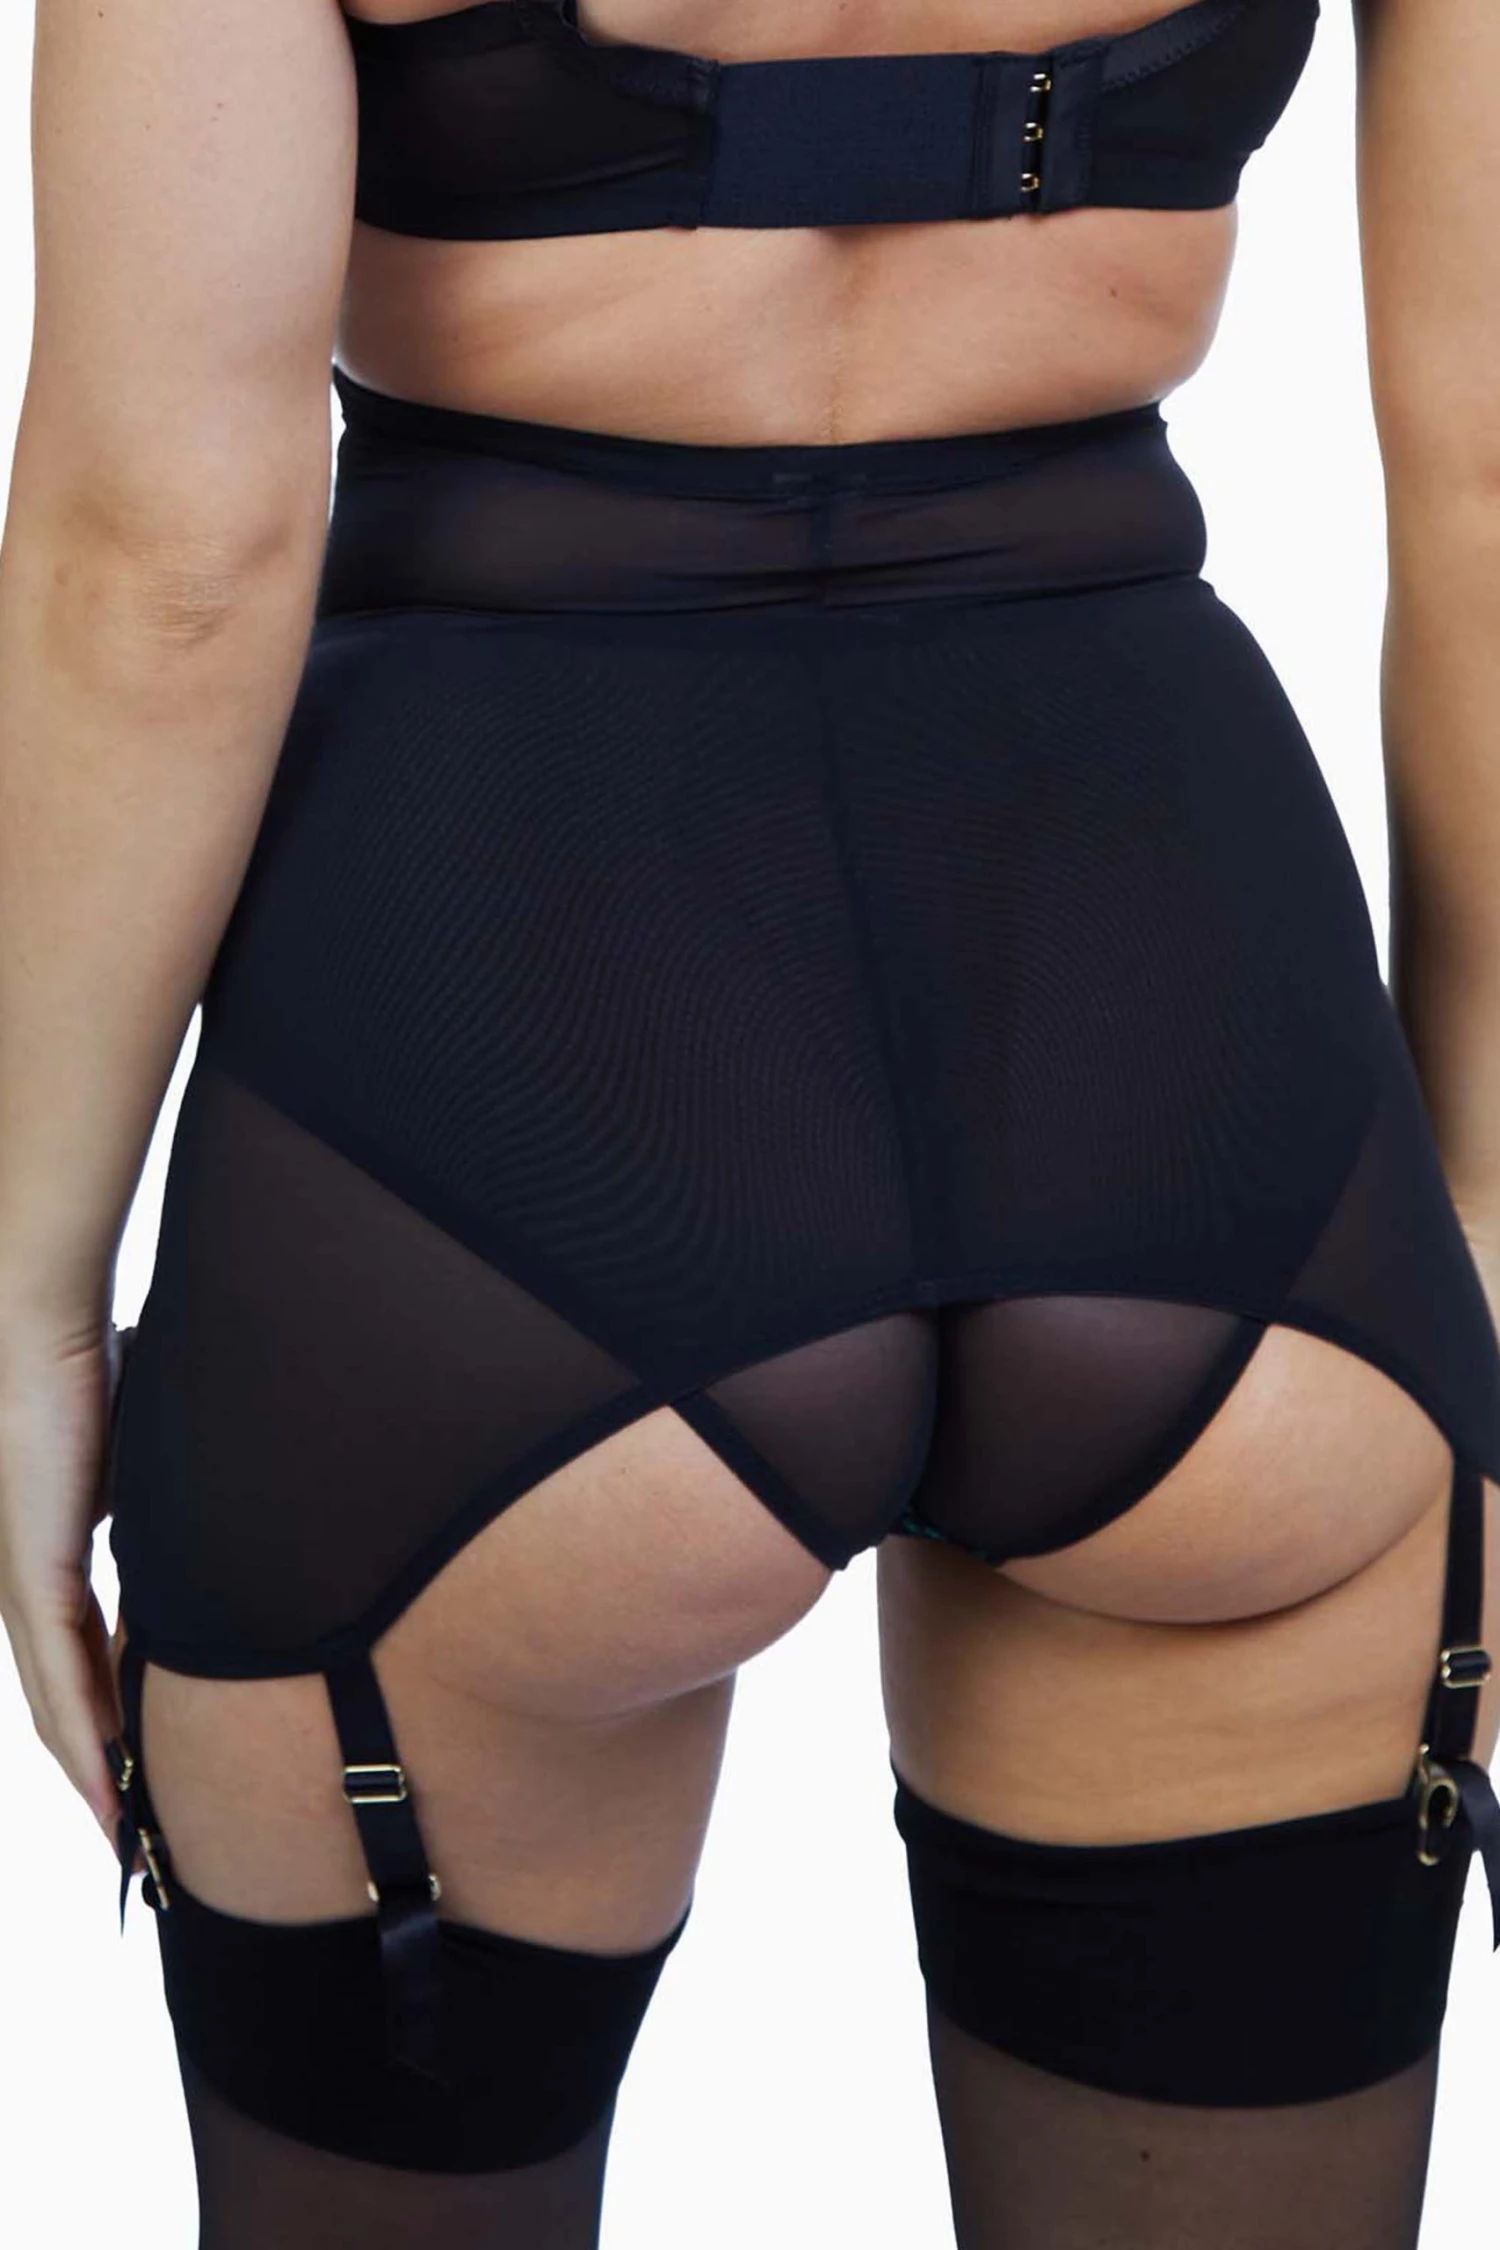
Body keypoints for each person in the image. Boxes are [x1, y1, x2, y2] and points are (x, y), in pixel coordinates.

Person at [1, 1, 1498, 2242]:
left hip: (492, 1050)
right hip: (1197, 1024)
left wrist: (33, 1289)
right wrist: (1477, 1197)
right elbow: (1489, 467)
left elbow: (167, 557)